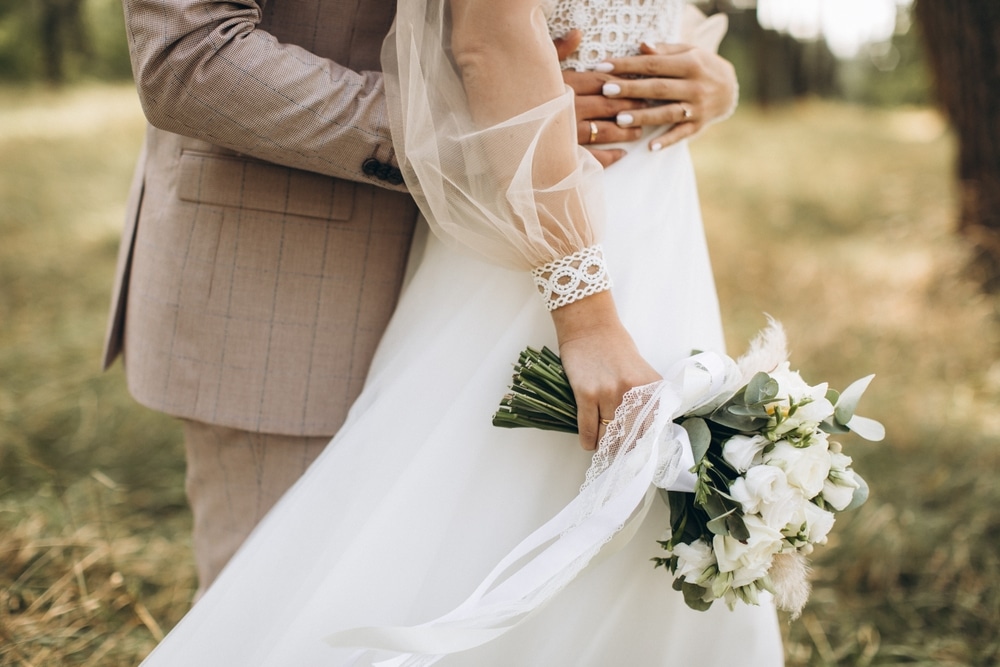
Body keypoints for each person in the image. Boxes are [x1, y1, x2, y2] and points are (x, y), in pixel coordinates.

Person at [135, 0, 784, 664]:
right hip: (309, 259)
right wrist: (485, 134)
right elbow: (189, 55)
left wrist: (707, 74)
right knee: (304, 609)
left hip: (633, 235)